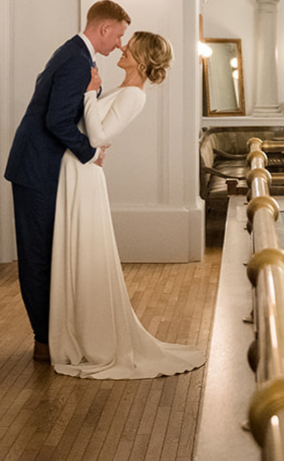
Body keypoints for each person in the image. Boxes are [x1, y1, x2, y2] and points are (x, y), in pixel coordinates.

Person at [49, 31, 206, 378]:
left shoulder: (135, 96)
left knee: (86, 251)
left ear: (143, 59)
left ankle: (95, 339)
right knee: (78, 250)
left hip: (84, 174)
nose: (121, 48)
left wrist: (90, 95)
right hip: (77, 170)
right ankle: (75, 334)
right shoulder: (123, 90)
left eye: (129, 47)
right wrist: (93, 95)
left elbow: (98, 137)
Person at [4, 0, 131, 363]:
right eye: (119, 35)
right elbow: (57, 121)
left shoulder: (74, 53)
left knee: (43, 252)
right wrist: (91, 154)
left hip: (39, 166)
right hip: (36, 168)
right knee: (38, 255)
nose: (119, 44)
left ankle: (50, 336)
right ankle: (44, 340)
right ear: (104, 28)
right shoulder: (78, 59)